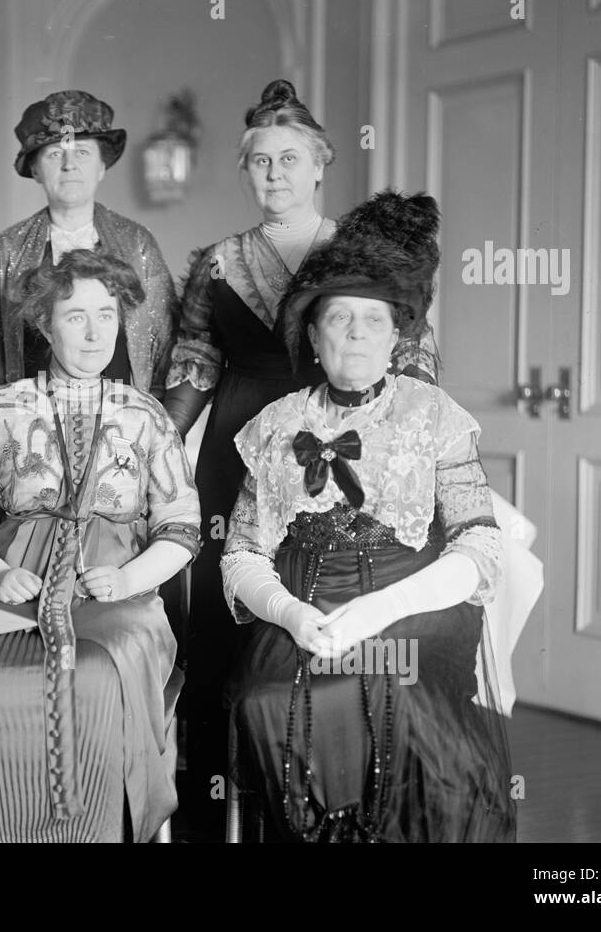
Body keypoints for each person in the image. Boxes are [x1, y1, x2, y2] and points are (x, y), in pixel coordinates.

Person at [220, 190, 515, 841]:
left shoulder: (433, 414)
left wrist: (382, 610)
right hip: (303, 612)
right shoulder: (275, 425)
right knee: (267, 699)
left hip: (415, 610)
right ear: (313, 334)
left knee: (399, 694)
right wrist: (294, 613)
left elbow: (481, 548)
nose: (354, 334)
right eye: (339, 319)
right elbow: (240, 554)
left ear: (396, 336)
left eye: (372, 320)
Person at [0, 250, 201, 842]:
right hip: (7, 582)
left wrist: (129, 581)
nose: (94, 330)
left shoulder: (146, 415)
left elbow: (181, 525)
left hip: (117, 585)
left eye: (107, 314)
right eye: (76, 316)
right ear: (45, 325)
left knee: (101, 674)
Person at [161, 79, 338, 833]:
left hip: (330, 440)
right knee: (225, 613)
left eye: (289, 159)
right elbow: (194, 358)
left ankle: (308, 800)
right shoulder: (220, 261)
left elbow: (407, 354)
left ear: (321, 165)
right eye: (260, 161)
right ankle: (210, 802)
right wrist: (158, 441)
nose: (274, 174)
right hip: (233, 446)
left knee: (316, 603)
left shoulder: (357, 251)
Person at [0, 90, 176, 424]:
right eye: (55, 154)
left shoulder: (137, 243)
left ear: (102, 166)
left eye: (82, 152)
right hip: (31, 424)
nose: (70, 165)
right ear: (36, 170)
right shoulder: (9, 248)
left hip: (118, 423)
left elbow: (163, 344)